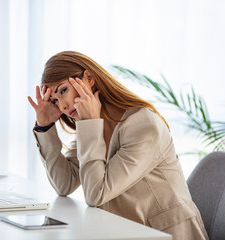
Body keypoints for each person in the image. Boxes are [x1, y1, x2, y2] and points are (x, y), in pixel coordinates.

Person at [27, 51, 209, 240]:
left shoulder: (144, 125)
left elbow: (96, 194)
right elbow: (64, 184)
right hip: (127, 231)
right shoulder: (95, 125)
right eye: (55, 100)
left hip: (166, 234)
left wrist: (89, 124)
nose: (62, 106)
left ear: (88, 78)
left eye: (63, 90)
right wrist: (45, 126)